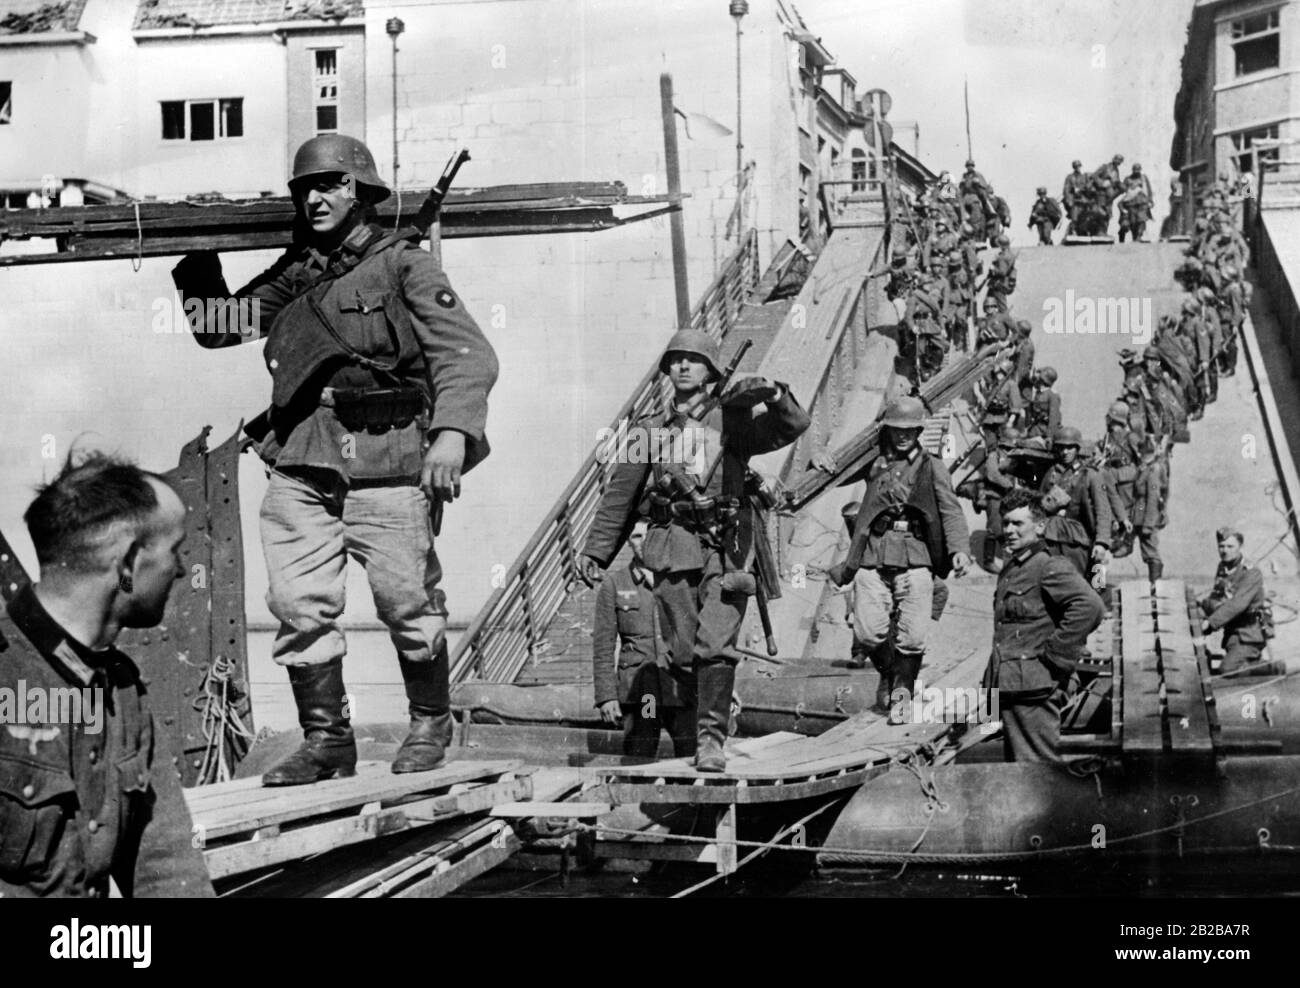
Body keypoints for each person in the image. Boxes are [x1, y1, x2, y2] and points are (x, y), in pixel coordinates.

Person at [173, 134, 500, 786]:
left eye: (330, 185)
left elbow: (469, 357)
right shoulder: (300, 272)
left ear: (361, 191)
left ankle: (430, 725)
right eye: (305, 189)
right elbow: (218, 324)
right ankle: (328, 741)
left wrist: (452, 434)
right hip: (300, 458)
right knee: (298, 603)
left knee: (407, 602)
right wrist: (196, 240)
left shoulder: (406, 267)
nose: (315, 198)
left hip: (385, 460)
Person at [579, 330, 809, 772]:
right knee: (684, 653)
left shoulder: (734, 421)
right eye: (677, 360)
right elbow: (620, 495)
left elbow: (791, 426)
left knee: (716, 646)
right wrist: (597, 551)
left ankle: (710, 741)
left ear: (710, 371)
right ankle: (696, 730)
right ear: (667, 370)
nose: (684, 366)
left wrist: (776, 393)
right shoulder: (648, 431)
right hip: (672, 547)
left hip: (727, 547)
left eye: (694, 360)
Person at [0, 453, 214, 897]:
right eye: (174, 549)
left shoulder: (122, 690)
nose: (178, 569)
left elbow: (168, 863)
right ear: (129, 564)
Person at [828, 397, 973, 723]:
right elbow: (838, 470)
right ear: (888, 430)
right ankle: (891, 673)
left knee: (912, 635)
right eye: (897, 429)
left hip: (916, 554)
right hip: (874, 552)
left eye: (910, 430)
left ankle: (901, 696)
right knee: (867, 632)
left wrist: (959, 550)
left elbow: (950, 510)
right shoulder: (874, 462)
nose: (903, 435)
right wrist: (825, 459)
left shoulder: (931, 466)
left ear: (920, 430)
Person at [985, 488, 1104, 764]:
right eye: (1006, 523)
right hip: (1014, 684)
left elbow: (1091, 607)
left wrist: (1055, 655)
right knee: (1023, 773)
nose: (1010, 531)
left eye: (1018, 523)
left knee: (1038, 775)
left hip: (1034, 686)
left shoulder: (1048, 566)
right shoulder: (1013, 567)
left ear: (1039, 526)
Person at [590, 519, 687, 757]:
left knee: (692, 755)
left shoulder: (680, 579)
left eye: (648, 535)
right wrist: (606, 696)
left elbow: (704, 635)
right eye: (635, 537)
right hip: (644, 694)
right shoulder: (615, 584)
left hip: (679, 687)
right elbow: (603, 645)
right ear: (628, 542)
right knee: (641, 753)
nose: (642, 542)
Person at [1040, 426, 1112, 588]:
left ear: (1077, 449)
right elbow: (1040, 504)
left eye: (1070, 447)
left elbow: (1103, 510)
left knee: (1091, 584)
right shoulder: (1052, 473)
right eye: (1061, 448)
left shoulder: (1091, 475)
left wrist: (1102, 542)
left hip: (1080, 539)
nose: (1065, 452)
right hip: (1053, 537)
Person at [1198, 527, 1268, 675]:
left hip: (1249, 634)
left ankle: (1273, 667)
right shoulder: (1223, 567)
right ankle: (1248, 663)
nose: (1225, 550)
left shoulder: (1251, 572)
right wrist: (1202, 607)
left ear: (1240, 547)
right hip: (1232, 632)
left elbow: (1237, 604)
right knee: (1216, 667)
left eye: (1230, 546)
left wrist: (1210, 623)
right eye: (1221, 546)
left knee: (1227, 670)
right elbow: (1217, 597)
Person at [1062, 160, 1089, 234]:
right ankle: (1073, 230)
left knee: (1086, 214)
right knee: (1074, 214)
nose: (1078, 168)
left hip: (1083, 198)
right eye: (1076, 167)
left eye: (1079, 166)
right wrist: (1068, 200)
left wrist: (1081, 189)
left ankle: (1085, 229)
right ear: (1073, 167)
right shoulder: (1069, 177)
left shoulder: (1084, 177)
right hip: (1073, 199)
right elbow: (1066, 190)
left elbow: (1088, 188)